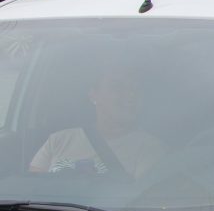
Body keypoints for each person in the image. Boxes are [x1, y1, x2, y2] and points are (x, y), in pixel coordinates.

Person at [30, 71, 165, 179]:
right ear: (93, 95)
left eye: (135, 89)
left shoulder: (151, 149)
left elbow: (136, 203)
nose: (131, 95)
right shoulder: (58, 140)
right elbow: (32, 189)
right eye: (118, 87)